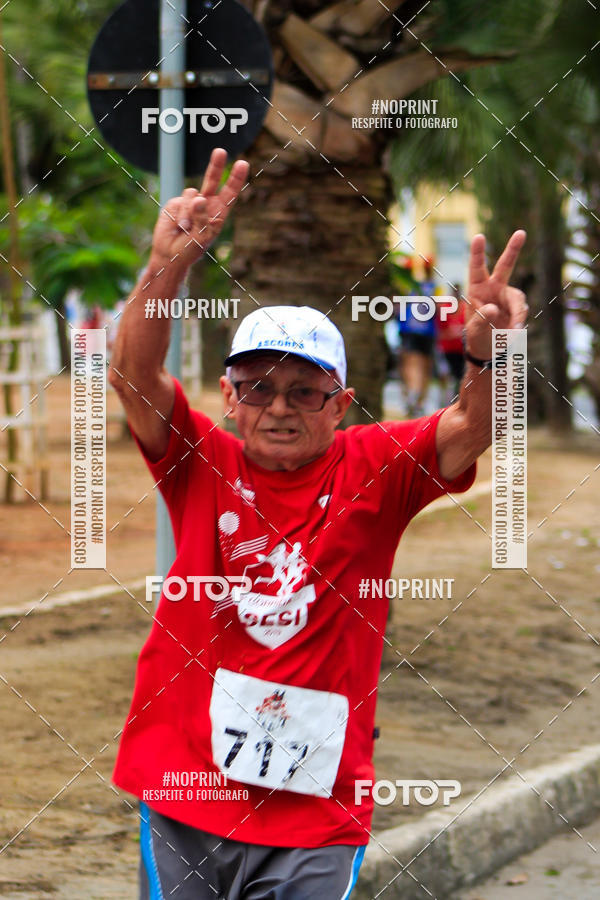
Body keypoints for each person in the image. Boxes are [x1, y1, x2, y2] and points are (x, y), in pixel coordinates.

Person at [108, 147, 528, 899]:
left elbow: (473, 423)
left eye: (306, 392)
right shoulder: (200, 462)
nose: (278, 407)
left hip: (314, 812)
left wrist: (489, 352)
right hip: (184, 791)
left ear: (342, 405)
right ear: (229, 398)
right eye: (258, 387)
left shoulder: (378, 467)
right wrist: (166, 264)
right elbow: (134, 376)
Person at [397, 257, 437, 417]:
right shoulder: (432, 288)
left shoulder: (410, 288)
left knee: (412, 364)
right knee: (422, 366)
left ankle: (414, 397)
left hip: (412, 331)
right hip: (424, 332)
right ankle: (417, 399)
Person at [436, 283, 466, 405]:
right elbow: (440, 332)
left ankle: (457, 400)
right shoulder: (445, 308)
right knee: (448, 375)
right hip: (447, 349)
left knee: (460, 376)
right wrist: (452, 333)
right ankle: (446, 400)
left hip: (462, 349)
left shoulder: (465, 308)